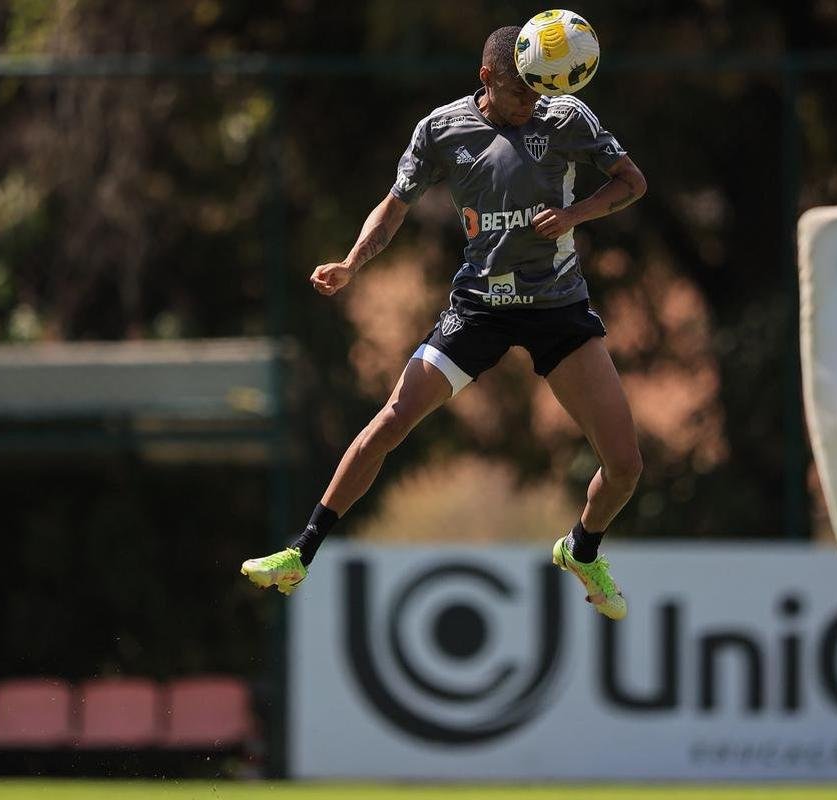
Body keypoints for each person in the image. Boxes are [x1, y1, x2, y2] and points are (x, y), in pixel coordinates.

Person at [241, 24, 647, 620]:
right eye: (517, 93)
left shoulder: (566, 115)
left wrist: (576, 214)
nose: (529, 103)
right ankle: (301, 553)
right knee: (391, 420)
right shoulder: (441, 129)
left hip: (556, 306)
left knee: (626, 465)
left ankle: (582, 548)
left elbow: (632, 182)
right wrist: (352, 264)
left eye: (536, 90)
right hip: (479, 307)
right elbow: (394, 205)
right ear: (487, 78)